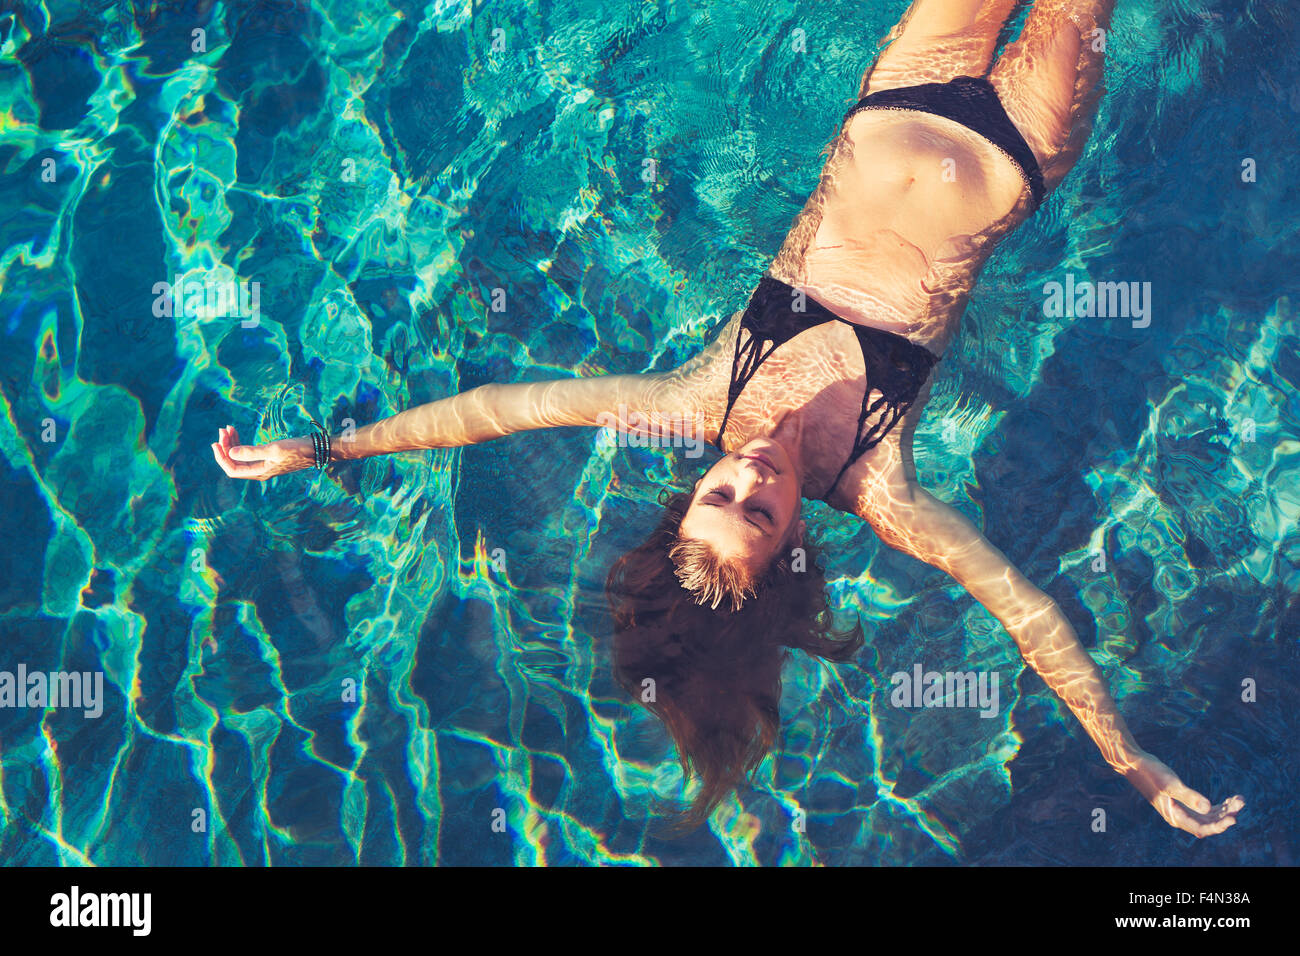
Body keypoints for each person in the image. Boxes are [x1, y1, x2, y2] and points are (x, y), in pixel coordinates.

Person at [213, 0, 1245, 838]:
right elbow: (1025, 613)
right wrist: (1127, 757)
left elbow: (499, 410)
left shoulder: (698, 396)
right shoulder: (880, 484)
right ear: (793, 539)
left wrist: (332, 446)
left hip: (901, 89)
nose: (747, 474)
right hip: (1019, 143)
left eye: (717, 494)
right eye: (758, 512)